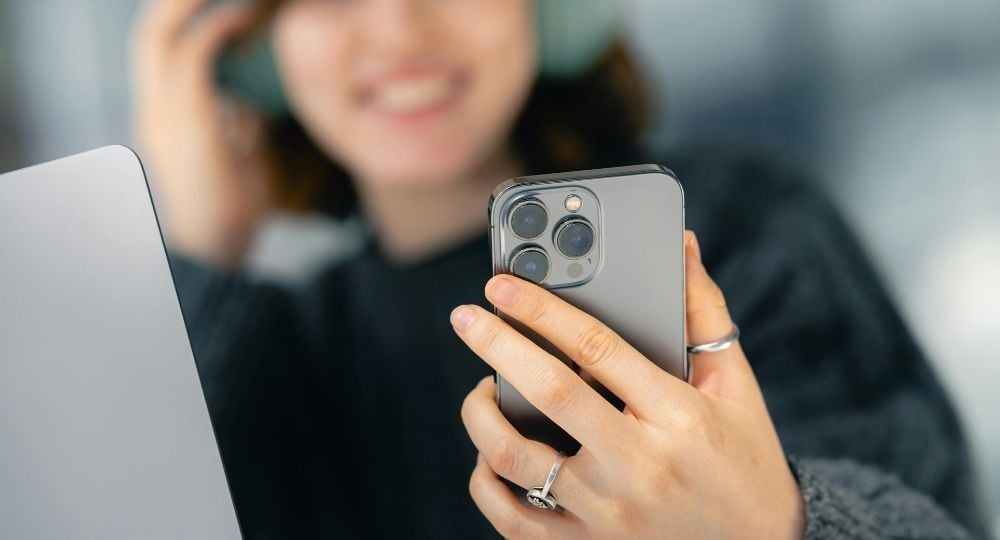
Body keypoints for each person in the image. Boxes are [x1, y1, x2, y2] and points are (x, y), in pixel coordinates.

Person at [131, 0, 989, 538]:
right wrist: (198, 256)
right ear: (245, 45)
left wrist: (774, 527)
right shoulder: (271, 354)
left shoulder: (743, 219)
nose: (397, 28)